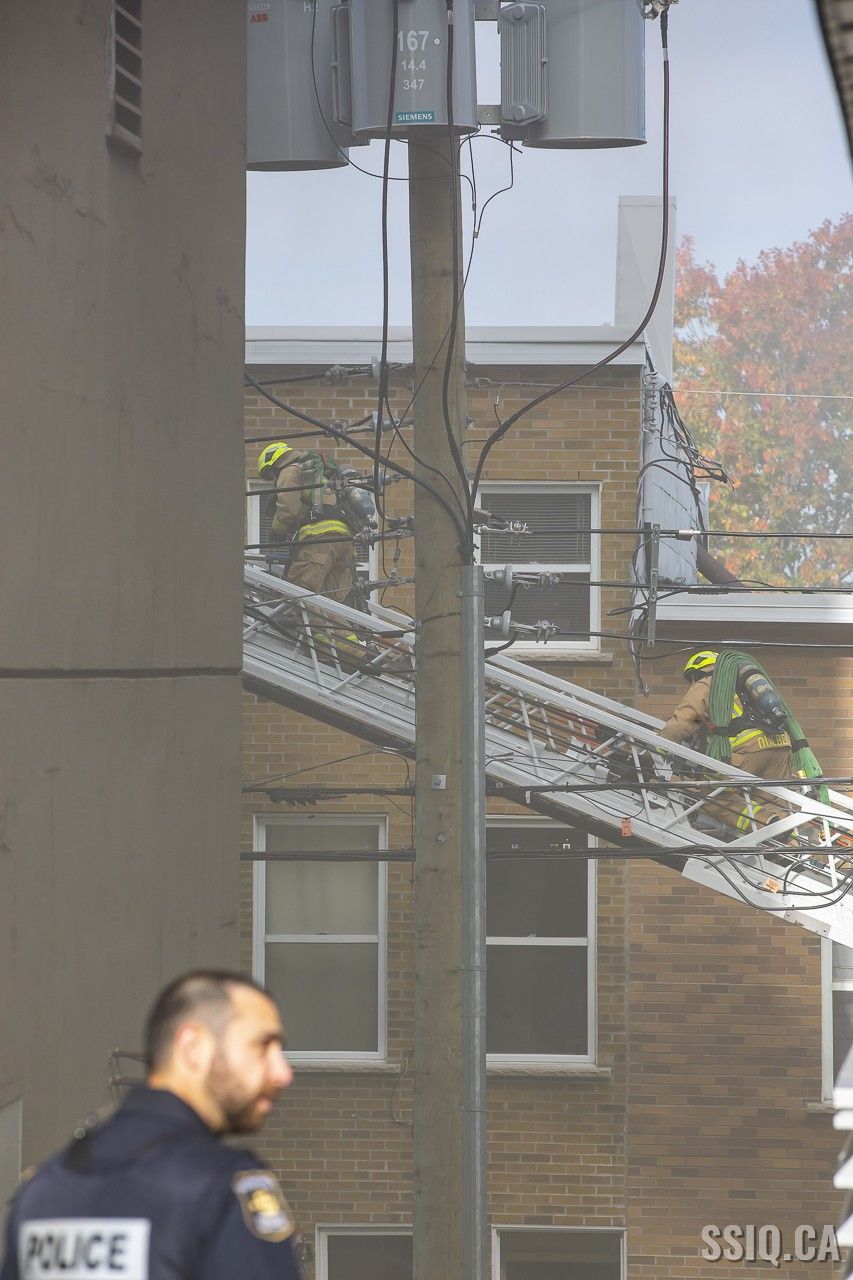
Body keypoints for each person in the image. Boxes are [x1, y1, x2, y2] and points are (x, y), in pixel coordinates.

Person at [1, 970, 300, 1280]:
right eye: (263, 1045)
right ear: (193, 1047)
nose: (282, 1073)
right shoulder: (221, 1186)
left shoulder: (43, 1190)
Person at [659, 649, 793, 834]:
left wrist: (660, 746)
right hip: (780, 744)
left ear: (696, 673)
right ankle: (787, 839)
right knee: (771, 801)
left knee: (714, 796)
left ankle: (766, 824)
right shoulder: (745, 684)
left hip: (748, 747)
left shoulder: (707, 684)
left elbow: (683, 722)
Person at [257, 441, 366, 659]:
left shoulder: (290, 470)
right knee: (325, 603)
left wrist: (275, 533)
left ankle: (349, 652)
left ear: (273, 462)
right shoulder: (316, 474)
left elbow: (288, 510)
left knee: (300, 595)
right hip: (344, 541)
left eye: (269, 475)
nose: (272, 480)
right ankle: (348, 649)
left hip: (319, 538)